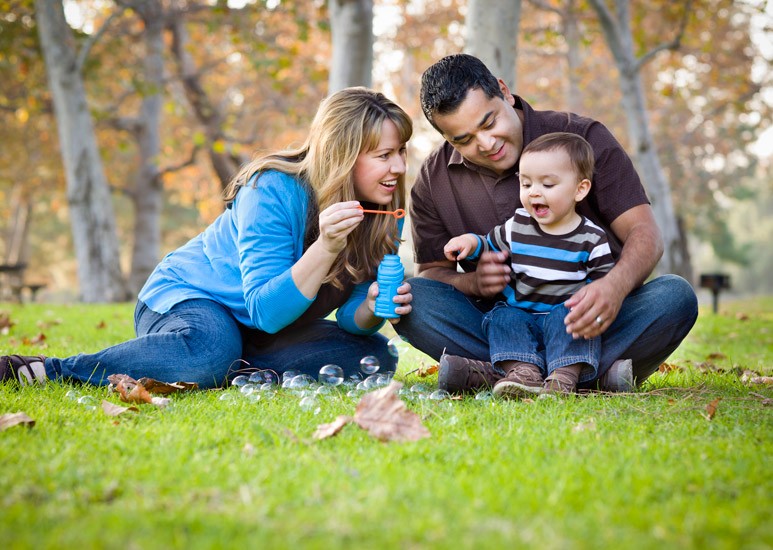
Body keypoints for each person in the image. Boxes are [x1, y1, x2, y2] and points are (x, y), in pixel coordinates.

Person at [1, 87, 414, 388]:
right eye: (383, 155)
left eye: (402, 152)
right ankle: (50, 370)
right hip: (189, 299)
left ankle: (227, 367)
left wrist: (373, 308)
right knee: (210, 350)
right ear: (342, 154)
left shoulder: (383, 213)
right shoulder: (272, 189)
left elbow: (352, 316)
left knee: (373, 353)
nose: (397, 167)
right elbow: (266, 310)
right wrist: (325, 247)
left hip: (258, 332)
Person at [395, 53, 698, 394]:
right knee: (410, 299)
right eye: (463, 140)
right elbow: (432, 273)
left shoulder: (583, 138)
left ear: (504, 92)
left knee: (674, 297)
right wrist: (475, 284)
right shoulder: (434, 179)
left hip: (588, 319)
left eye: (489, 122)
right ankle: (583, 377)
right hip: (505, 324)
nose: (486, 144)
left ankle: (499, 375)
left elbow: (645, 234)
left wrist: (612, 288)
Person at [443, 133, 614, 397]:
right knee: (502, 316)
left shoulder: (592, 238)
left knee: (573, 318)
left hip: (564, 319)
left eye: (547, 184)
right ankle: (523, 372)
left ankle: (563, 376)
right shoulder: (517, 226)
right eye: (525, 184)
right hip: (522, 316)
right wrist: (470, 243)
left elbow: (603, 286)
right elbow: (489, 245)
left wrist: (593, 308)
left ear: (580, 189)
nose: (534, 192)